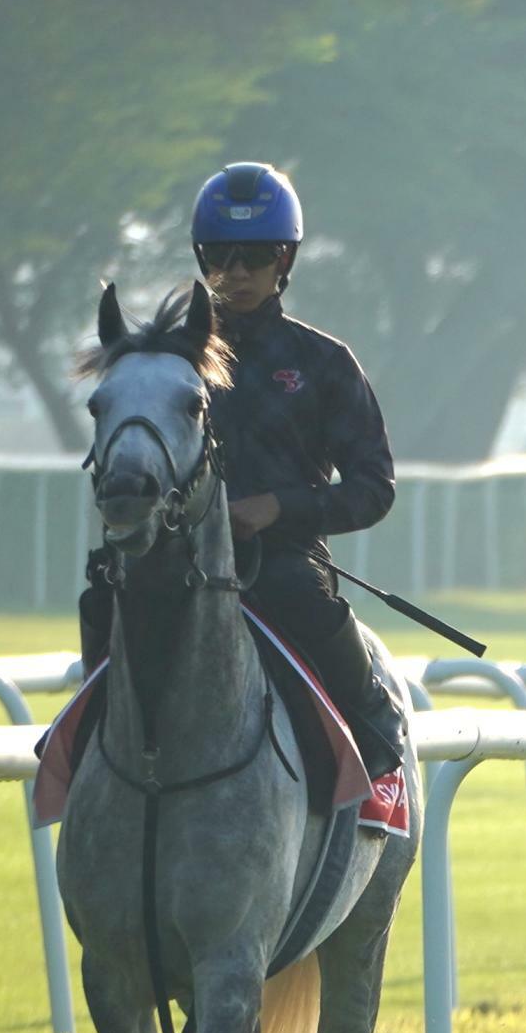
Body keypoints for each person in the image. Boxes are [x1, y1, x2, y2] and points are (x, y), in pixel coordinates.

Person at [80, 161, 407, 778]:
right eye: (219, 255)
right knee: (104, 595)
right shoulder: (166, 362)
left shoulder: (325, 362)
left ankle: (376, 733)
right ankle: (82, 748)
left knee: (296, 592)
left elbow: (373, 490)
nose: (235, 272)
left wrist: (278, 508)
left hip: (282, 561)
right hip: (175, 556)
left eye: (254, 256)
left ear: (285, 260)